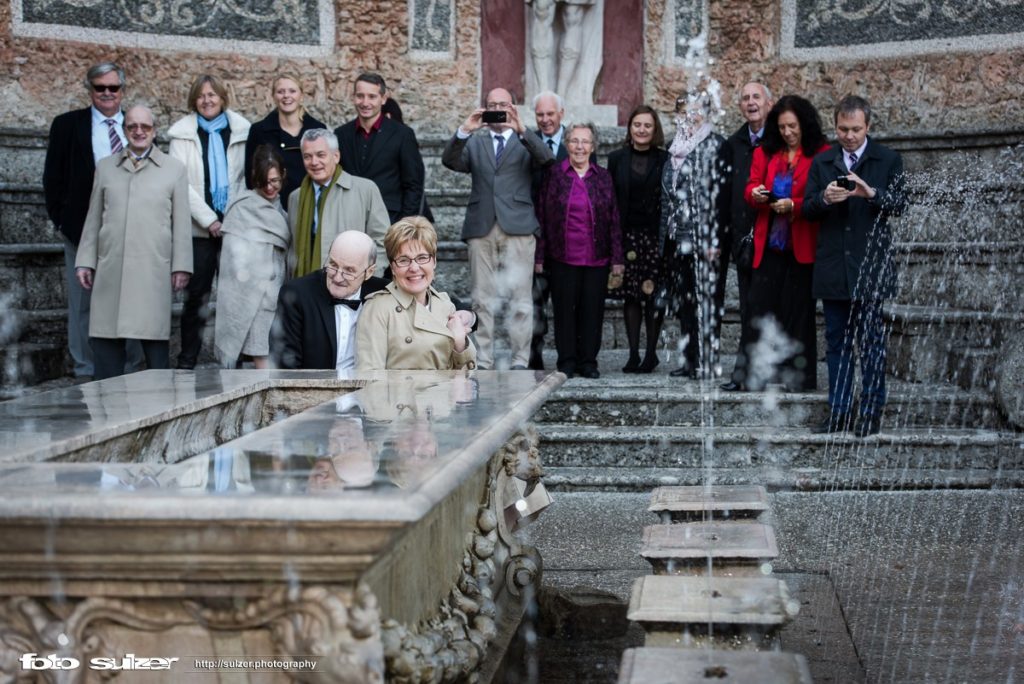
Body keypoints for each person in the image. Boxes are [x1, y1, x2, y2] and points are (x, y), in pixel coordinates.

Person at [803, 95, 907, 437]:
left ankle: (871, 411)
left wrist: (871, 194)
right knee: (837, 344)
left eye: (856, 129)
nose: (849, 136)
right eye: (843, 129)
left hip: (870, 267)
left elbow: (899, 205)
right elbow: (806, 208)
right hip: (834, 267)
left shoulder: (888, 159)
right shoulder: (823, 162)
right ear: (835, 127)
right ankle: (840, 411)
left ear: (868, 127)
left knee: (872, 343)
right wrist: (823, 199)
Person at [74, 105, 192, 380]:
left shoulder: (173, 169)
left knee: (154, 348)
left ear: (154, 130)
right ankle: (106, 410)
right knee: (106, 344)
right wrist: (85, 261)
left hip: (152, 269)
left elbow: (182, 223)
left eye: (145, 127)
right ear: (124, 130)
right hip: (111, 268)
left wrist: (182, 266)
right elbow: (93, 219)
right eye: (132, 126)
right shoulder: (106, 168)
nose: (139, 132)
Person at [441, 87, 554, 370]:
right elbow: (450, 160)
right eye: (492, 104)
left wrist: (521, 129)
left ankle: (519, 360)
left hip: (518, 226)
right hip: (482, 225)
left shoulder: (525, 139)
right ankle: (483, 358)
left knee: (521, 300)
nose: (498, 109)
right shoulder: (476, 143)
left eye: (503, 104)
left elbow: (547, 160)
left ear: (513, 107)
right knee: (482, 298)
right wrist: (465, 130)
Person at [43, 62, 142, 381]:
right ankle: (86, 370)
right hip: (81, 229)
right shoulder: (67, 126)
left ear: (122, 90)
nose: (108, 94)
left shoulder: (137, 124)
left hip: (128, 231)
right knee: (83, 304)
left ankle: (133, 368)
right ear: (90, 90)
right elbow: (52, 179)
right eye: (101, 88)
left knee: (130, 300)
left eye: (114, 88)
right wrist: (62, 221)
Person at [744, 95, 829, 392]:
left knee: (799, 313)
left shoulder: (821, 153)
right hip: (770, 245)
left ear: (804, 125)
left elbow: (821, 198)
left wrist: (793, 206)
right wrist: (756, 194)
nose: (787, 133)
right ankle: (758, 373)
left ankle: (799, 378)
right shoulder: (766, 152)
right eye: (781, 127)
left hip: (801, 245)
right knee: (761, 308)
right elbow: (751, 185)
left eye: (792, 126)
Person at [167, 74, 251, 370]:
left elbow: (244, 179)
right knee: (196, 298)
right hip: (199, 231)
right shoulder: (182, 136)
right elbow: (180, 182)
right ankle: (187, 358)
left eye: (212, 95)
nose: (207, 100)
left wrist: (230, 218)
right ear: (194, 100)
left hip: (234, 228)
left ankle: (234, 360)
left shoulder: (241, 132)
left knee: (234, 299)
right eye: (201, 96)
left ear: (222, 98)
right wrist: (210, 220)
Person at [535, 123, 623, 379]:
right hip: (562, 256)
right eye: (574, 141)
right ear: (567, 145)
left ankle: (588, 361)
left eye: (585, 142)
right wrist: (539, 255)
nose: (580, 147)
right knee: (564, 310)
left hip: (597, 257)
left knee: (592, 311)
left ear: (593, 147)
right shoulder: (555, 175)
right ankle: (567, 361)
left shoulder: (604, 177)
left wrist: (618, 258)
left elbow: (614, 217)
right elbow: (541, 214)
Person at [659, 86, 729, 379]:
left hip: (704, 239)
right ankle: (690, 360)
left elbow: (720, 197)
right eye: (685, 111)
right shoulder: (674, 146)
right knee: (685, 300)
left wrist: (715, 239)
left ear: (707, 113)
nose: (691, 116)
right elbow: (668, 196)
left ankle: (708, 361)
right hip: (677, 238)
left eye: (697, 110)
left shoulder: (715, 145)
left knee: (707, 301)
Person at [356, 217, 477, 371]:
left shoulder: (446, 305)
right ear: (392, 267)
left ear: (434, 261)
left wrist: (460, 345)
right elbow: (370, 378)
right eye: (404, 260)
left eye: (422, 258)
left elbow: (468, 379)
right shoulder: (377, 308)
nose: (414, 268)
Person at [213, 147, 290, 369]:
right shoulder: (242, 206)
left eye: (275, 181)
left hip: (278, 291)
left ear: (283, 175)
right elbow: (231, 261)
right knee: (260, 352)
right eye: (263, 181)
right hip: (250, 292)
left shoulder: (283, 206)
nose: (269, 187)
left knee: (271, 351)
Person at [608, 104, 670, 373]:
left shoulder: (665, 159)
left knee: (654, 297)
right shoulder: (616, 158)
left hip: (655, 238)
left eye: (647, 125)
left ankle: (651, 353)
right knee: (631, 297)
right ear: (630, 128)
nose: (642, 129)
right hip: (627, 236)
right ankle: (633, 354)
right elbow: (611, 202)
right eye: (637, 125)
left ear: (654, 129)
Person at [720, 82, 774, 391]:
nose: (751, 102)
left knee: (774, 309)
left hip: (778, 239)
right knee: (748, 308)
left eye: (756, 97)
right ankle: (744, 374)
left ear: (769, 102)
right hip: (745, 241)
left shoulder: (782, 138)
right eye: (745, 98)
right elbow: (725, 196)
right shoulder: (733, 144)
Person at [270, 231, 386, 370]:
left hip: (367, 388)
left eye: (349, 271)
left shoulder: (383, 293)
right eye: (333, 265)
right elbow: (285, 367)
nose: (337, 278)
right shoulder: (296, 295)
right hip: (310, 389)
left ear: (369, 272)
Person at [288, 128, 389, 278]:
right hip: (306, 287)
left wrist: (368, 278)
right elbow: (293, 248)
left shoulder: (365, 190)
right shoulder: (295, 197)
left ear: (336, 156)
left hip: (353, 285)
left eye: (321, 155)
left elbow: (383, 240)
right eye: (307, 156)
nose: (314, 162)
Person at [335, 73, 427, 224]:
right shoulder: (341, 134)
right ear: (353, 97)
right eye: (360, 96)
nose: (365, 102)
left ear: (383, 99)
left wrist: (404, 224)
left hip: (390, 218)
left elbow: (413, 184)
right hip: (349, 217)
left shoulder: (403, 134)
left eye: (372, 96)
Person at [244, 73, 326, 209]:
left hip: (310, 206)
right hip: (271, 207)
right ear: (274, 97)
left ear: (301, 96)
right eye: (280, 92)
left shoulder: (318, 129)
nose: (286, 96)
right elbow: (251, 176)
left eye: (292, 91)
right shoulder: (259, 131)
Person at [528, 90, 568, 370]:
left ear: (561, 114)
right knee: (535, 302)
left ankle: (570, 357)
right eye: (540, 114)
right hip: (536, 235)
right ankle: (534, 355)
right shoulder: (526, 143)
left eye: (550, 114)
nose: (545, 120)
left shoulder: (576, 142)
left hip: (568, 237)